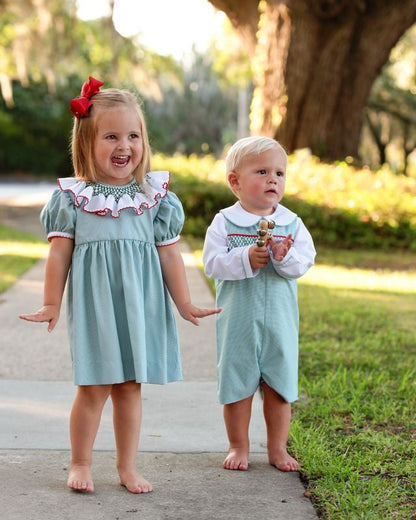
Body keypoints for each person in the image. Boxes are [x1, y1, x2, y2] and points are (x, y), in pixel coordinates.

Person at [19, 76, 220, 494]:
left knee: (130, 387)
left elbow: (168, 253)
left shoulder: (154, 198)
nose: (124, 145)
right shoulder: (73, 199)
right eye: (111, 136)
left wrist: (184, 302)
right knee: (93, 387)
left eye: (133, 135)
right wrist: (51, 303)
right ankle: (80, 462)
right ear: (86, 142)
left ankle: (127, 468)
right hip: (97, 308)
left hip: (140, 306)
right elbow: (59, 254)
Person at [202, 136, 316, 472]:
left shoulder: (292, 223)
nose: (273, 180)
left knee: (279, 386)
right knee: (237, 384)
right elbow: (212, 264)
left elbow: (303, 263)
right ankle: (238, 445)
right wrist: (245, 258)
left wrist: (283, 256)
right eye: (262, 171)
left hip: (279, 321)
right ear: (235, 181)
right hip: (238, 319)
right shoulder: (225, 222)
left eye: (279, 173)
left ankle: (278, 449)